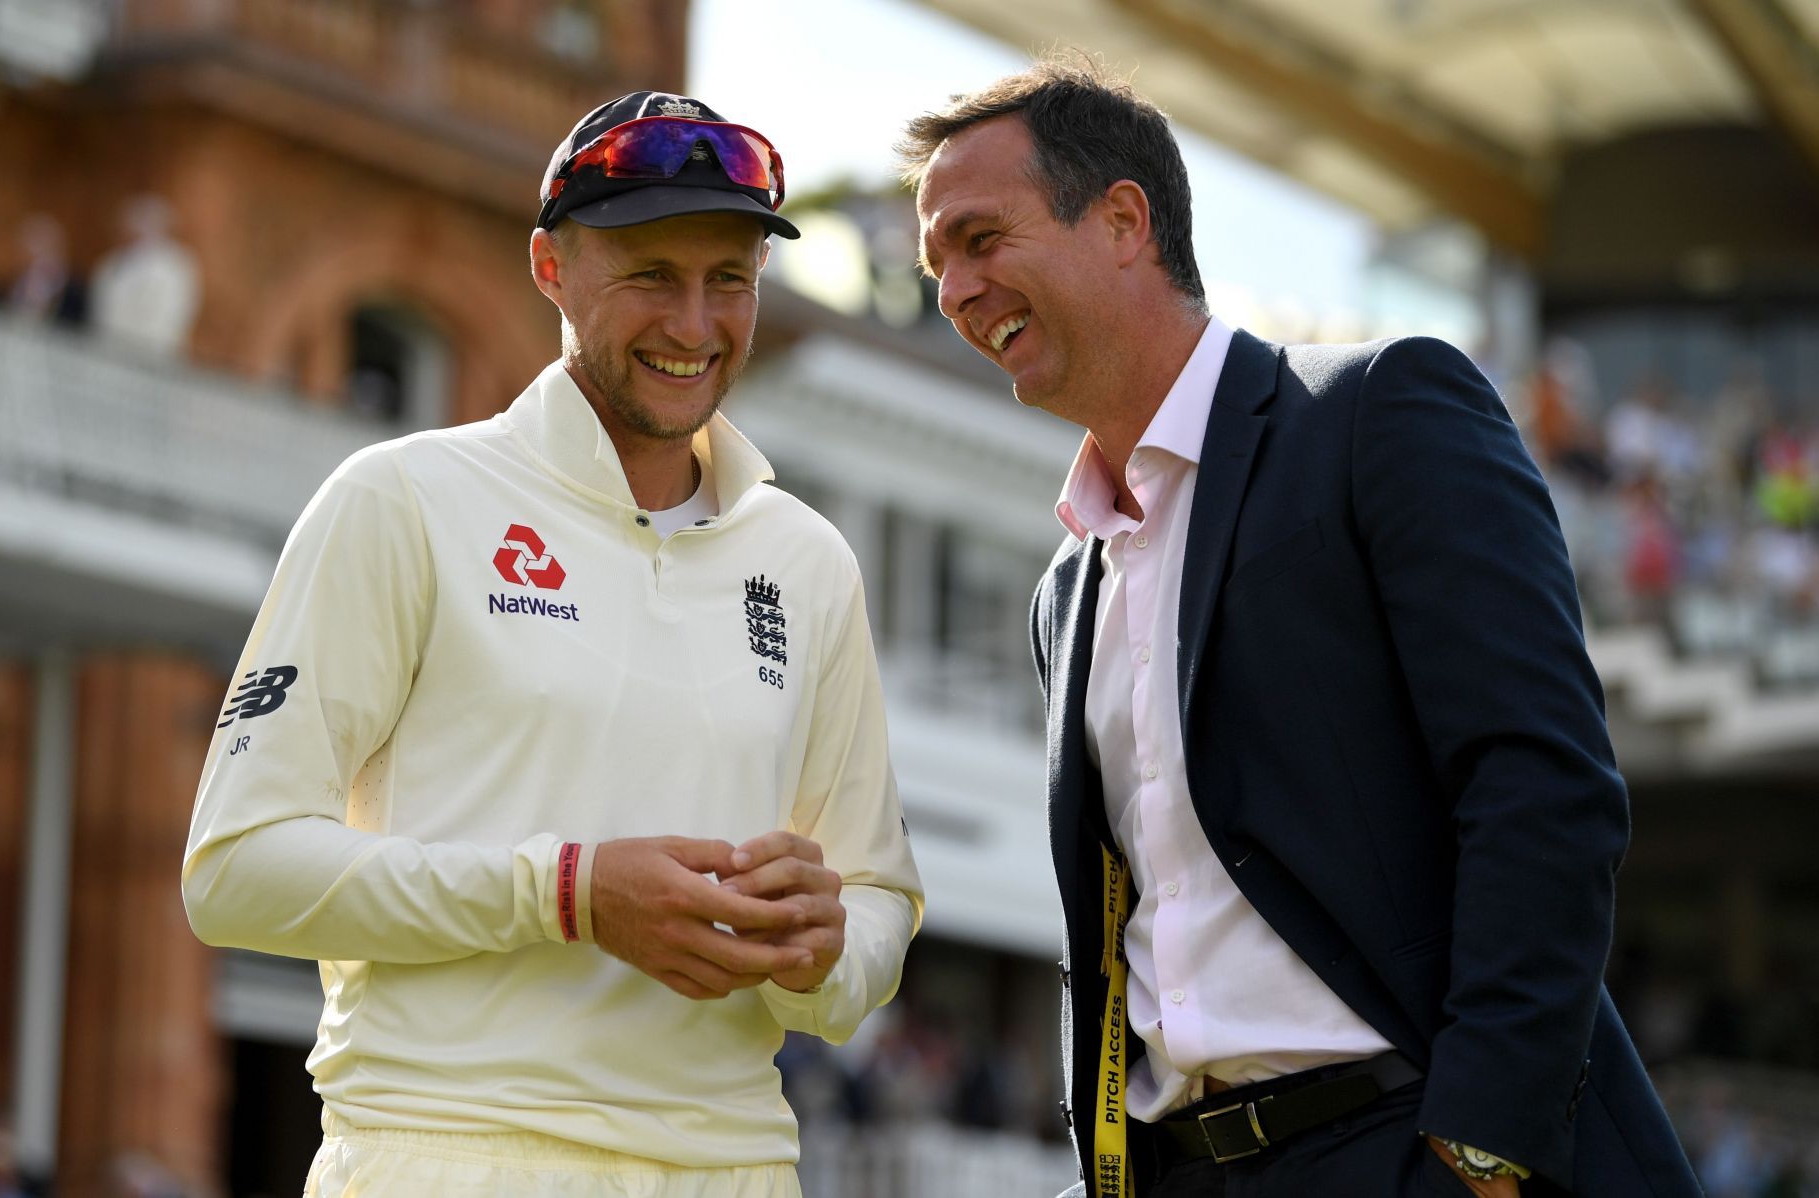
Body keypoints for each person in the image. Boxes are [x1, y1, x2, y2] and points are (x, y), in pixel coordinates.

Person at [900, 59, 1697, 1197]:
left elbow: (1543, 785)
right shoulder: (1064, 592)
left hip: (1411, 1145)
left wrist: (1482, 1147)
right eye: (937, 263)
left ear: (1125, 219)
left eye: (980, 238)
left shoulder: (1383, 410)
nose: (954, 290)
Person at [184, 90, 921, 1197]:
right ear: (550, 269)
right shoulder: (403, 498)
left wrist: (826, 951)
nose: (694, 324)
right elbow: (233, 874)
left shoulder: (809, 561)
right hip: (444, 1153)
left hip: (736, 1167)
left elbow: (878, 900)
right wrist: (566, 891)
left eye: (730, 280)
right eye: (649, 276)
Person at [90, 194, 199, 356]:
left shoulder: (174, 266)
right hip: (105, 349)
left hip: (147, 353)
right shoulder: (111, 263)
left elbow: (169, 316)